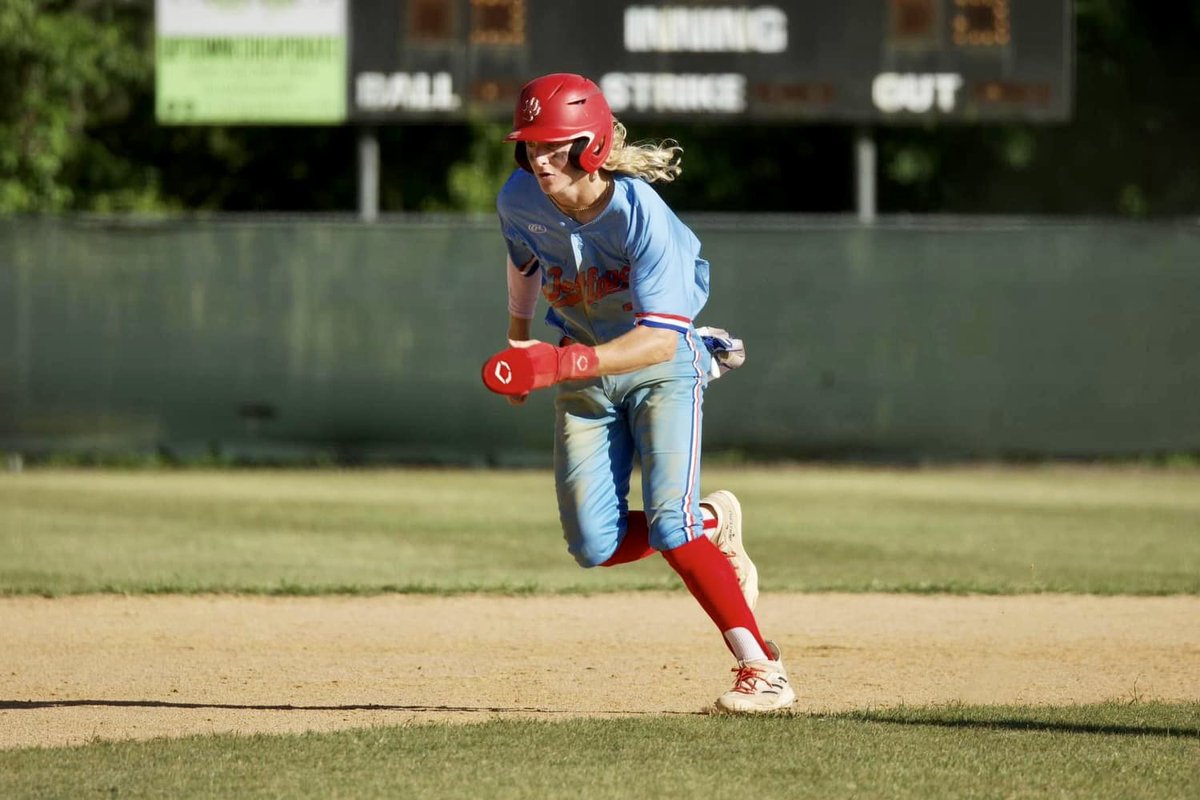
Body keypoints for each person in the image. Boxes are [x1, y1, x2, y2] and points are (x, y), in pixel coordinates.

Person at [480, 73, 794, 714]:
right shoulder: (519, 199)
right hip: (584, 374)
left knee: (670, 528)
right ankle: (714, 522)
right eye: (532, 146)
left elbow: (653, 341)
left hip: (660, 367)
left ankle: (763, 671)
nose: (541, 159)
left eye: (556, 145)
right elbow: (523, 262)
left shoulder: (641, 214)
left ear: (591, 145)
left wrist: (559, 364)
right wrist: (519, 345)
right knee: (593, 546)